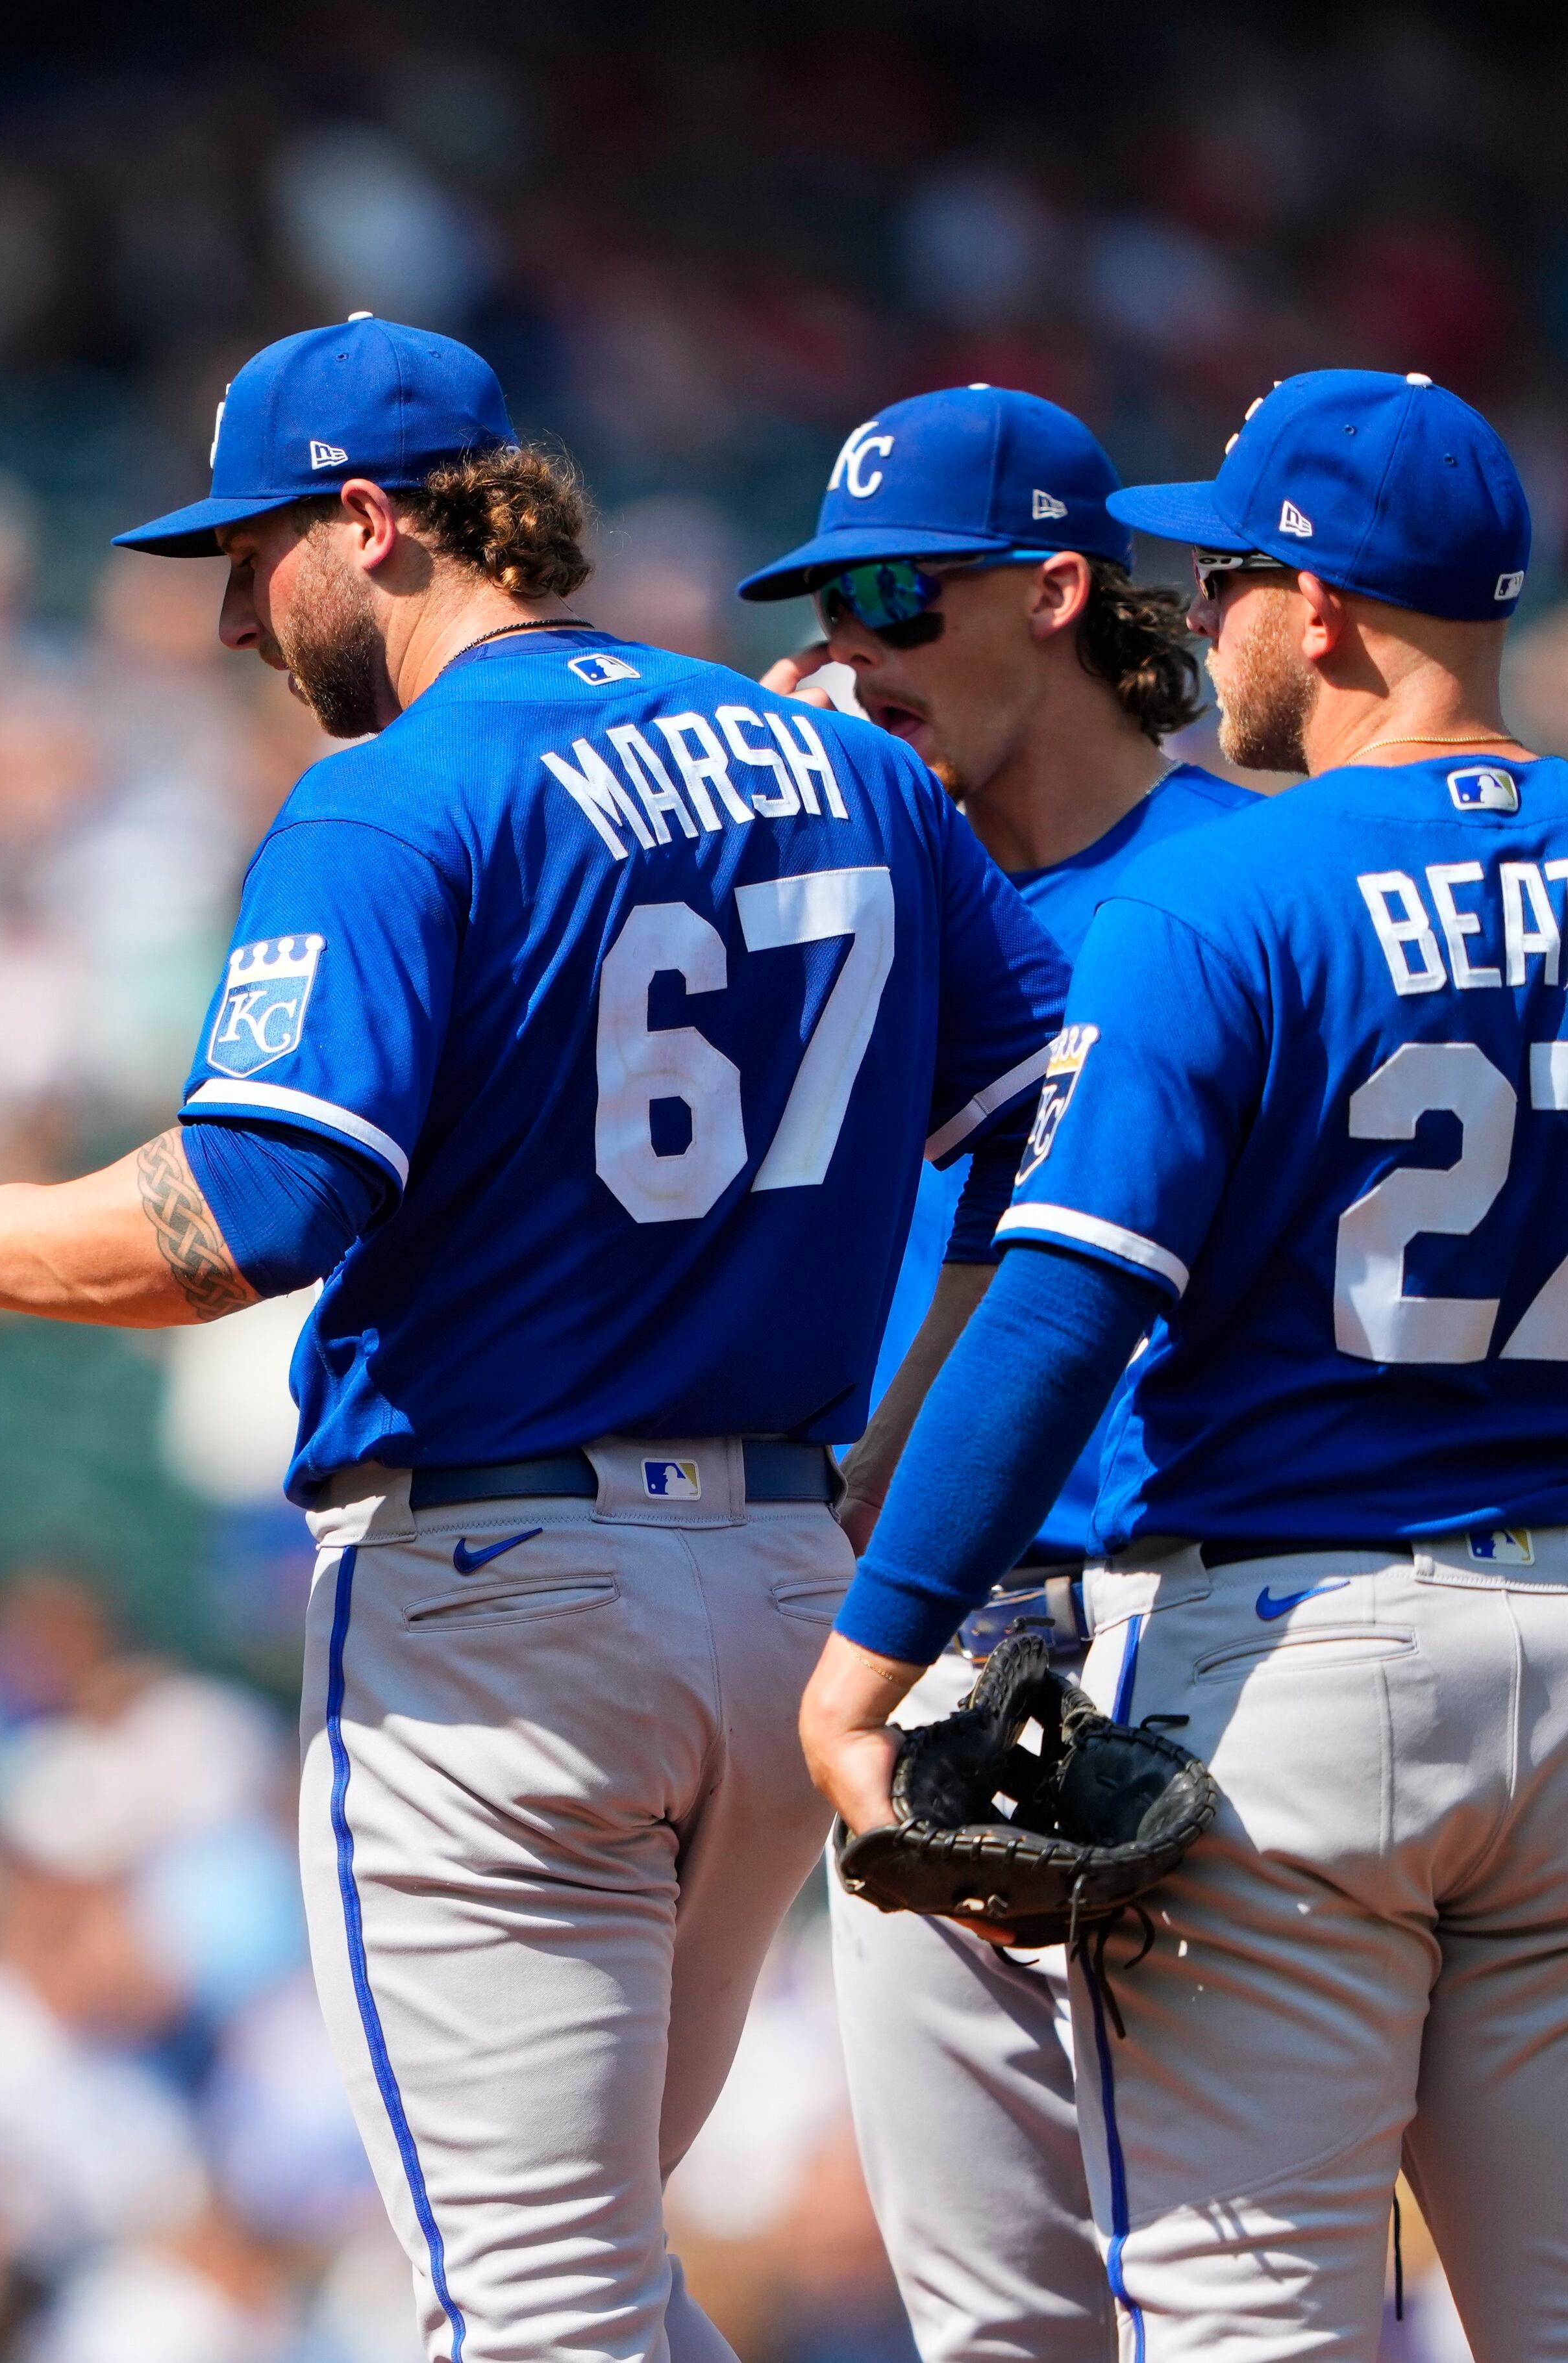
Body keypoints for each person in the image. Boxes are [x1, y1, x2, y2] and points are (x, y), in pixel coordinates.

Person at [0, 314, 1069, 2363]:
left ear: (376, 519)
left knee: (526, 2316)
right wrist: (896, 1489)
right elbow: (1066, 1123)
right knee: (597, 2291)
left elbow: (235, 1220)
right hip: (790, 1590)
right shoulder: (850, 762)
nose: (240, 613)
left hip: (506, 1615)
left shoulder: (397, 800)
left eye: (258, 552)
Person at [799, 368, 1568, 2358]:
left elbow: (1062, 1310)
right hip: (1551, 1618)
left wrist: (862, 1663)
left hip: (1281, 1654)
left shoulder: (1230, 893)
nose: (1197, 610)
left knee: (1237, 2329)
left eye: (1225, 571)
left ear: (1316, 612)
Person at [734, 385, 1247, 2363]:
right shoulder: (852, 901)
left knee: (1231, 2293)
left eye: (893, 599)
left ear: (1052, 591)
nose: (855, 650)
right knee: (993, 2326)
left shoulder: (1234, 887)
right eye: (828, 611)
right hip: (927, 1655)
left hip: (1180, 1635)